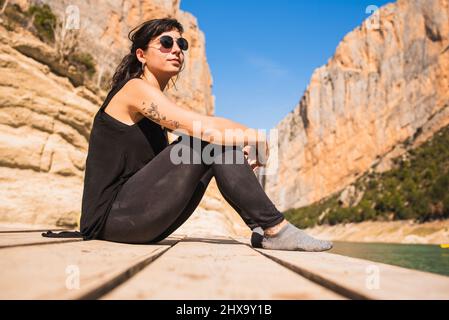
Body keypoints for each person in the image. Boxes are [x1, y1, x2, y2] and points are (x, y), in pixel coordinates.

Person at [43, 18, 332, 252]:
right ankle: (275, 228)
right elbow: (201, 127)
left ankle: (262, 229)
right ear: (141, 55)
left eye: (181, 43)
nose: (176, 49)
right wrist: (254, 135)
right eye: (166, 43)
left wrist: (239, 147)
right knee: (207, 141)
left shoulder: (154, 103)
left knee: (217, 146)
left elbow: (205, 134)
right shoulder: (134, 90)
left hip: (135, 218)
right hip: (110, 221)